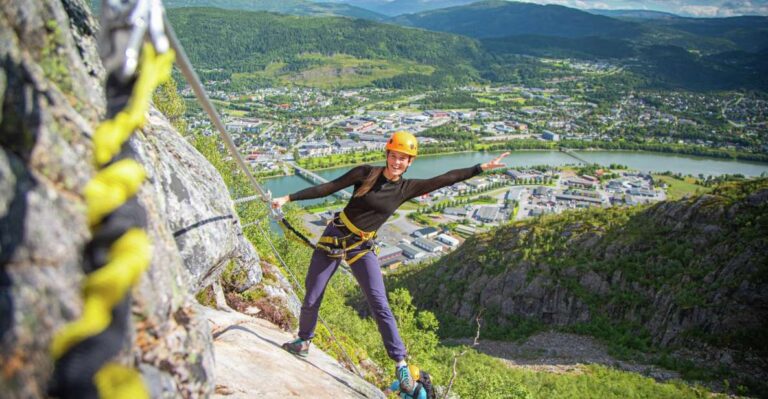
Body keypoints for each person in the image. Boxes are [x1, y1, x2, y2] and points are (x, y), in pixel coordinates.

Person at [271, 131, 508, 394]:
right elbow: (328, 187)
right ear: (387, 155)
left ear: (409, 163)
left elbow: (444, 179)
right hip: (336, 238)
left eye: (403, 159)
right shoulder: (364, 174)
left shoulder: (406, 189)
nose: (397, 162)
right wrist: (289, 198)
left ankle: (400, 362)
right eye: (394, 156)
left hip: (362, 246)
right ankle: (304, 340)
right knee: (313, 294)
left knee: (379, 302)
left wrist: (480, 168)